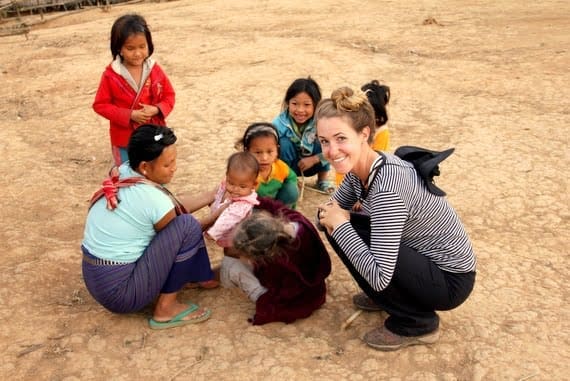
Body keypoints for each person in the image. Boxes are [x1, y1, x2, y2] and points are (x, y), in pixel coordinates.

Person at [314, 87, 476, 351]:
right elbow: (327, 212)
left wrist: (341, 224)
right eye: (324, 141)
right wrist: (334, 219)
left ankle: (416, 322)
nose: (331, 151)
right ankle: (390, 299)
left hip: (450, 279)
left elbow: (379, 276)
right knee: (334, 224)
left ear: (364, 134)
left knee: (342, 227)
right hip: (420, 259)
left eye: (341, 138)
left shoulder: (387, 187)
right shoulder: (360, 168)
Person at [81, 125, 221, 330]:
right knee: (187, 226)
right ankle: (166, 309)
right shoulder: (151, 197)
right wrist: (217, 216)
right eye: (168, 164)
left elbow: (171, 208)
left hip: (96, 279)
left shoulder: (124, 171)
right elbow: (182, 230)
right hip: (121, 293)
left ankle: (194, 278)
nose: (174, 168)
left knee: (181, 225)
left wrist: (211, 195)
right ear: (145, 167)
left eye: (174, 161)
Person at [224, 197, 331, 325]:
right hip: (315, 284)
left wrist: (265, 301)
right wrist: (249, 198)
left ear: (266, 254)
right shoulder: (294, 218)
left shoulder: (283, 262)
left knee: (231, 265)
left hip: (304, 295)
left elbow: (286, 291)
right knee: (231, 261)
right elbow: (271, 205)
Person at [93, 13, 175, 166]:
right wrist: (129, 115)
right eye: (130, 48)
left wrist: (156, 109)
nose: (137, 53)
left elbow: (169, 96)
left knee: (154, 173)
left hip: (153, 135)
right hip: (125, 139)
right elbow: (100, 105)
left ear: (149, 44)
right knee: (127, 175)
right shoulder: (111, 75)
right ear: (119, 48)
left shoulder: (154, 70)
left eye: (142, 47)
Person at [272, 77, 335, 194]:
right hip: (290, 167)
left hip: (314, 164)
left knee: (324, 142)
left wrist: (314, 159)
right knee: (283, 144)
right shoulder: (279, 124)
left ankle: (322, 180)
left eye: (307, 105)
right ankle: (289, 180)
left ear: (315, 105)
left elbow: (335, 149)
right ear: (288, 103)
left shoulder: (322, 122)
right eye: (295, 104)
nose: (300, 110)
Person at [334, 80, 391, 186]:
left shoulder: (381, 132)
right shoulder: (349, 125)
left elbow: (378, 165)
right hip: (347, 182)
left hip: (369, 184)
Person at [236, 122, 299, 208]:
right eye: (258, 152)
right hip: (253, 207)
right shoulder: (245, 171)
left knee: (291, 190)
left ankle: (284, 214)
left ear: (277, 150)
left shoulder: (279, 167)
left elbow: (292, 177)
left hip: (275, 205)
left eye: (270, 152)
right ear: (247, 151)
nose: (264, 158)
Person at [205, 151, 260, 249]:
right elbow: (221, 191)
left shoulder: (242, 204)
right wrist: (215, 203)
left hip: (231, 235)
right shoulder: (228, 186)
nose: (235, 189)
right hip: (222, 224)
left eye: (242, 186)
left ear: (254, 185)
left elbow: (227, 220)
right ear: (227, 177)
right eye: (231, 183)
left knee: (231, 249)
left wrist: (213, 233)